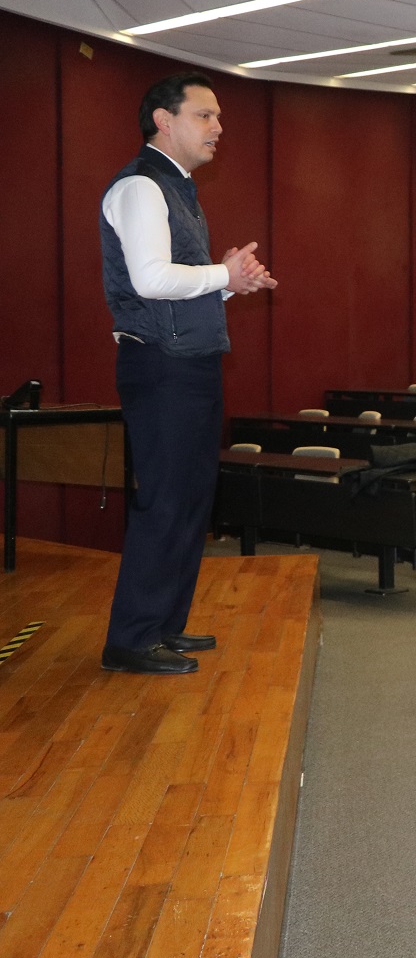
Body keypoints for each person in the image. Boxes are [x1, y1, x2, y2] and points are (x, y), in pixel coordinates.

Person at [98, 72, 276, 674]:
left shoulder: (179, 189)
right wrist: (222, 276)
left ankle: (163, 626)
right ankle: (131, 637)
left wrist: (229, 282)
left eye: (218, 117)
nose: (218, 127)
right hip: (161, 368)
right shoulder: (142, 187)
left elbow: (175, 291)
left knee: (191, 500)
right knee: (167, 501)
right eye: (205, 116)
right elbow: (150, 281)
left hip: (186, 363)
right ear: (163, 121)